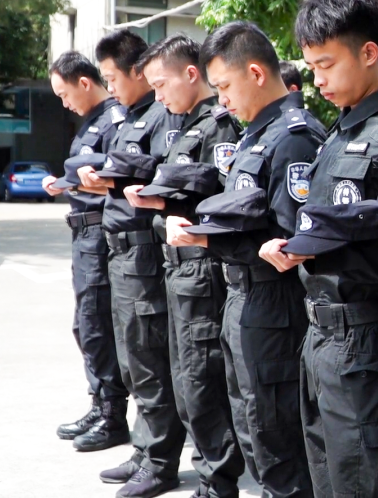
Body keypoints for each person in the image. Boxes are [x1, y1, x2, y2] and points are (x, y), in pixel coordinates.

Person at [255, 0, 378, 498]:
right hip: (322, 342)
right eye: (311, 68)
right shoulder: (338, 134)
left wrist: (315, 255)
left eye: (326, 65)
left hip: (372, 349)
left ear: (368, 52)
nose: (317, 81)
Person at [164, 21, 325, 498]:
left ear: (256, 73)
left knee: (279, 440)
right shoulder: (257, 133)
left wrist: (206, 241)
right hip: (243, 300)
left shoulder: (293, 136)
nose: (222, 100)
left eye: (225, 87)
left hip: (275, 305)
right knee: (254, 428)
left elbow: (288, 238)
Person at [122, 34, 245, 498]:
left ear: (191, 74)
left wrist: (169, 196)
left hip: (201, 270)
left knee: (201, 379)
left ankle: (217, 480)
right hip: (177, 268)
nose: (158, 96)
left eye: (161, 85)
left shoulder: (219, 126)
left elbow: (222, 196)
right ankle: (199, 469)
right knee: (182, 377)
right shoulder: (188, 125)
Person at [76, 30, 187, 498]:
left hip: (143, 250)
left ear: (138, 72)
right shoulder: (130, 118)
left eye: (112, 77)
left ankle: (160, 461)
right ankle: (144, 448)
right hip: (120, 250)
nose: (112, 87)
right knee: (131, 357)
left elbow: (160, 178)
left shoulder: (165, 117)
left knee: (149, 357)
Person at [43, 51, 130, 450]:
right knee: (85, 324)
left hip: (98, 233)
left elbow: (113, 178)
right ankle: (99, 402)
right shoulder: (90, 122)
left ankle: (113, 415)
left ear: (84, 81)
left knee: (95, 324)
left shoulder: (114, 121)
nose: (64, 103)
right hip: (82, 233)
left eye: (64, 94)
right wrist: (61, 183)